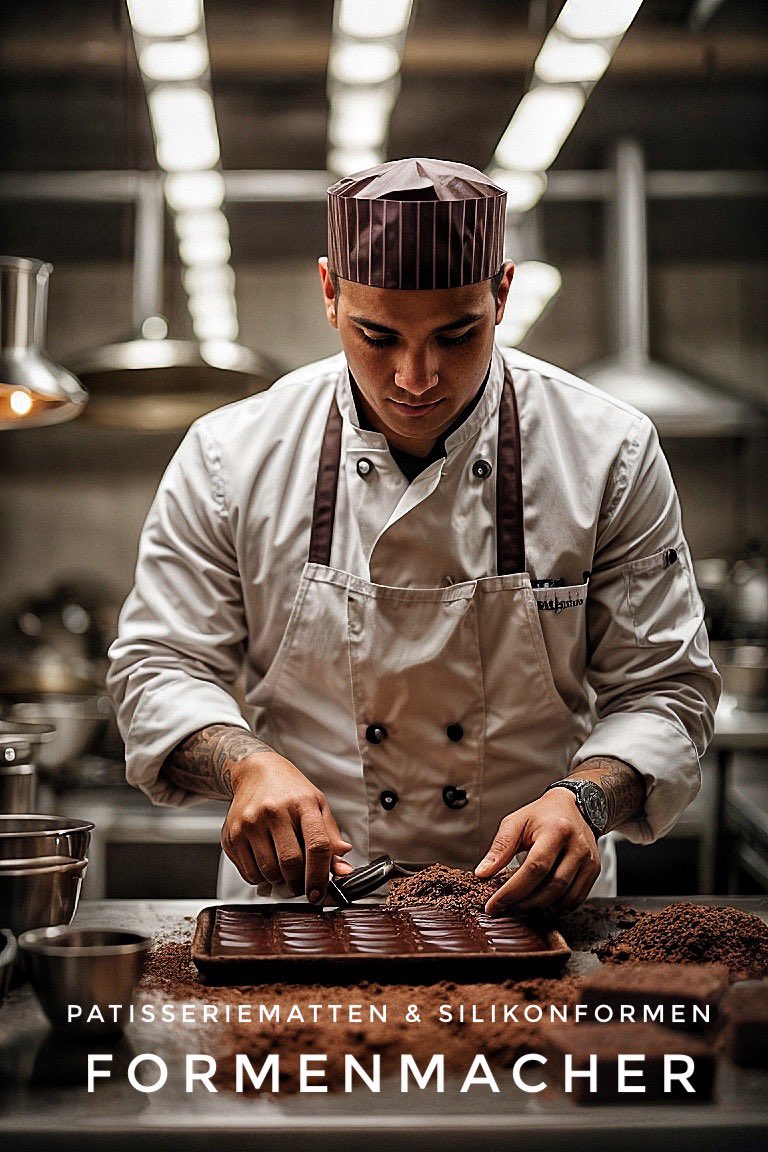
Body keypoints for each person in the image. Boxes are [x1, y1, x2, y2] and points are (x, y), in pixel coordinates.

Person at [107, 157, 720, 915]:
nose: (416, 376)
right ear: (330, 294)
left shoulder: (606, 451)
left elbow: (666, 690)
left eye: (458, 335)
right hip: (305, 902)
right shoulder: (232, 453)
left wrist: (587, 800)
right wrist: (246, 765)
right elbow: (157, 666)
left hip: (530, 906)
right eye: (378, 336)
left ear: (502, 293)